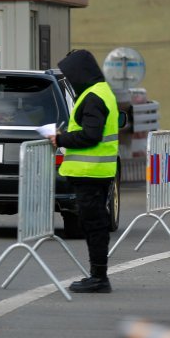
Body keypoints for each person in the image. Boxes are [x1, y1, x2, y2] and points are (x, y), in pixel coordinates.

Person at [48, 49, 119, 293]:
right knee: (95, 224)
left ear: (80, 73)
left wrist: (61, 139)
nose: (69, 80)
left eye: (70, 75)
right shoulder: (101, 92)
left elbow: (91, 135)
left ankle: (99, 278)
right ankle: (98, 275)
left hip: (91, 173)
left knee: (94, 225)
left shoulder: (93, 97)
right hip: (96, 172)